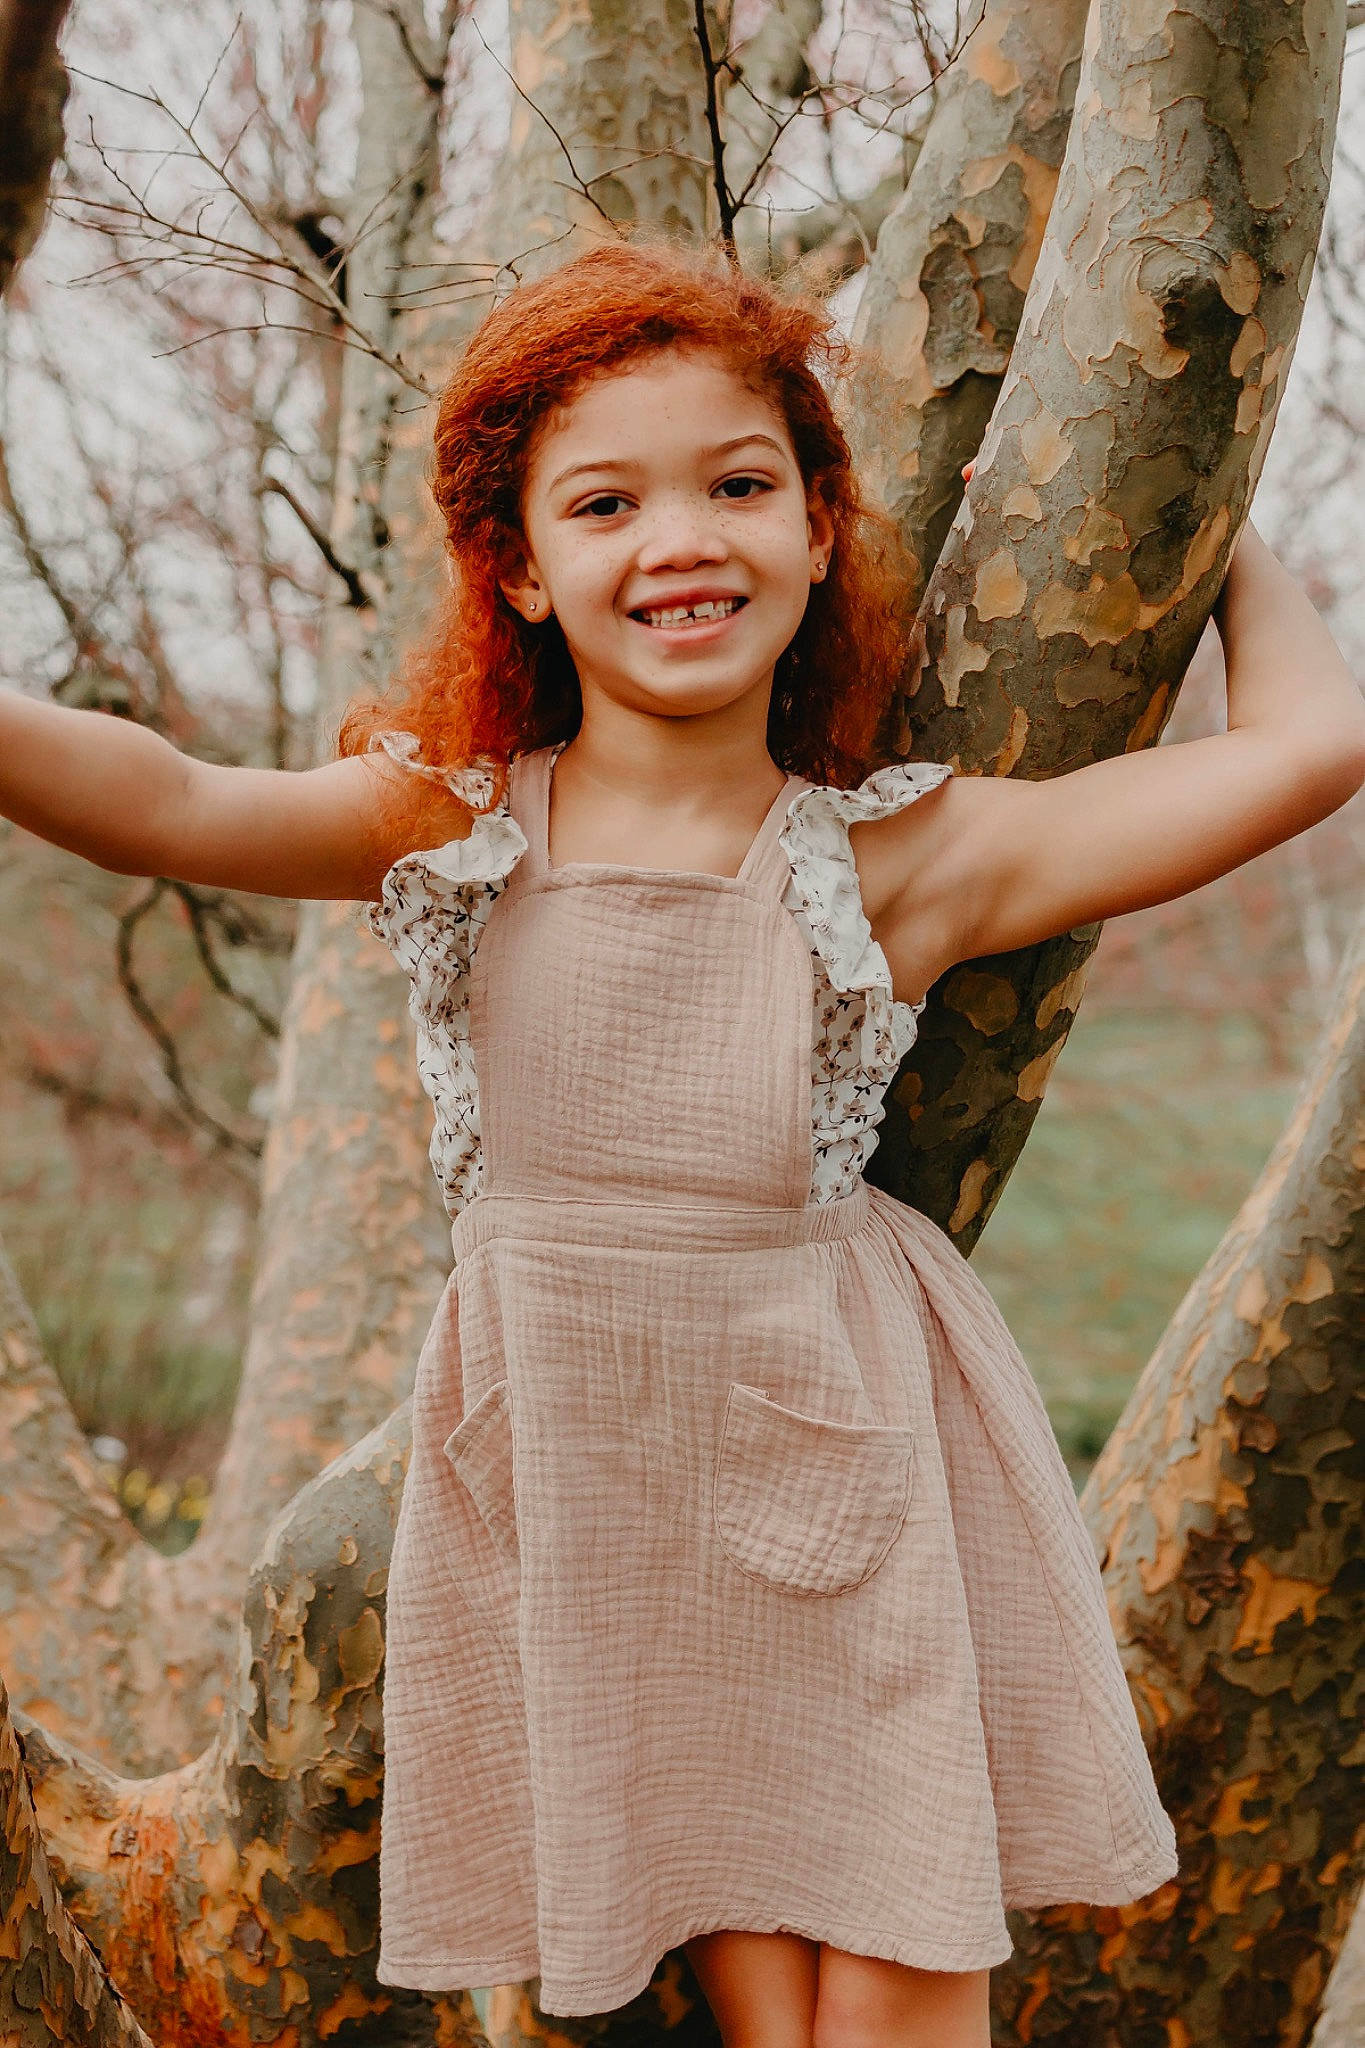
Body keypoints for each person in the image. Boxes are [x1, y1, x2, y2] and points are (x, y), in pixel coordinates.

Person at [3, 236, 1363, 2048]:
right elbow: (164, 799)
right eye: (605, 503)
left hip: (845, 1455)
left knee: (893, 1983)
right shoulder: (456, 824)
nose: (680, 542)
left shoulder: (894, 857)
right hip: (588, 1474)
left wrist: (1222, 541)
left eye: (737, 485)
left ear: (817, 526)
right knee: (747, 1993)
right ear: (521, 571)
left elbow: (1303, 750)